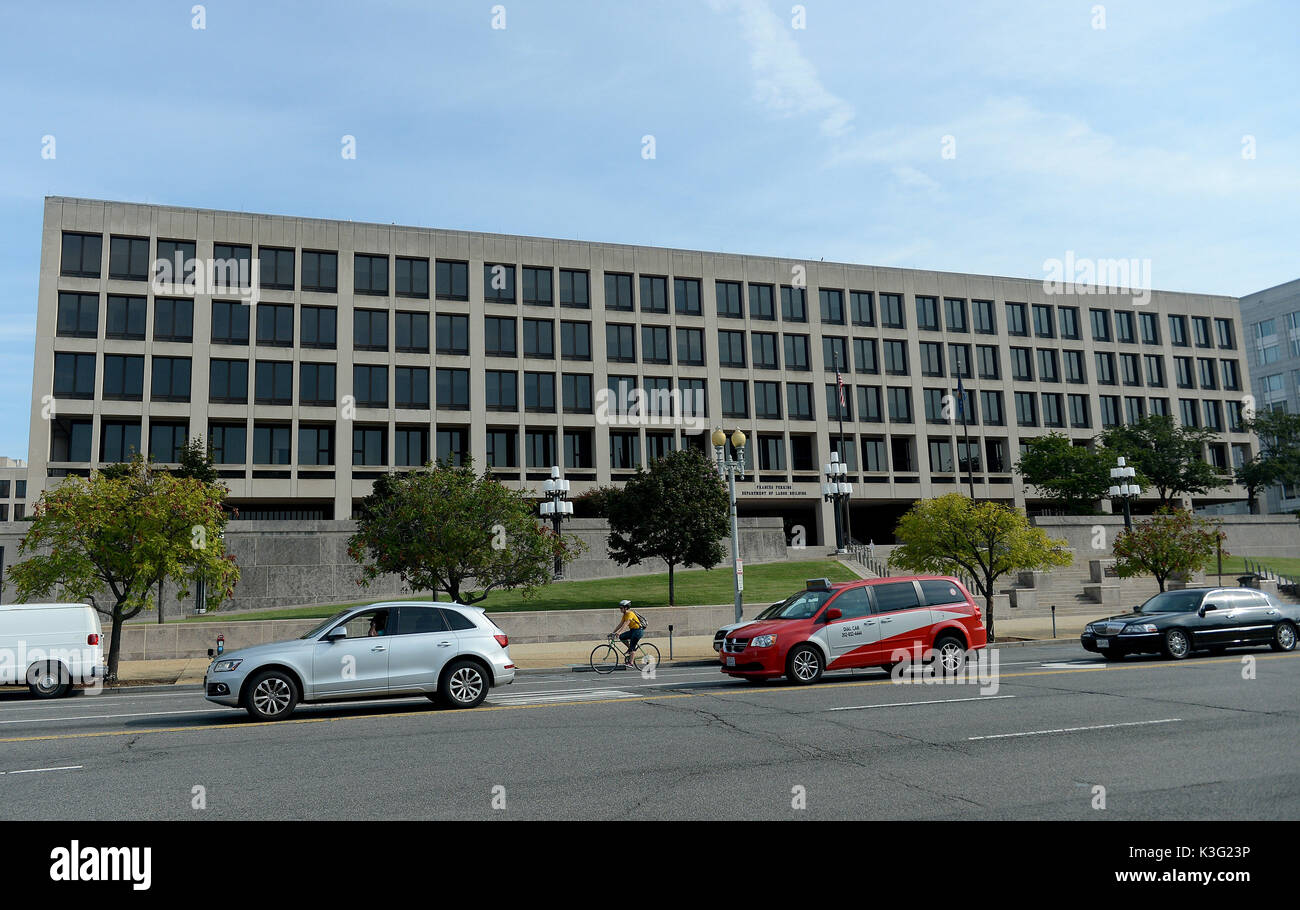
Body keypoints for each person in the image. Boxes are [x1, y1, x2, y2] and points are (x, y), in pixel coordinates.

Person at [610, 600, 644, 667]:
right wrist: (613, 632)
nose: (620, 609)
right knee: (622, 637)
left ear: (626, 608)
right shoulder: (625, 615)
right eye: (620, 608)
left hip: (638, 631)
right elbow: (620, 624)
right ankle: (630, 650)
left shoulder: (630, 614)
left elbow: (626, 624)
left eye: (621, 608)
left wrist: (619, 632)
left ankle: (631, 663)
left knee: (632, 646)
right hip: (632, 630)